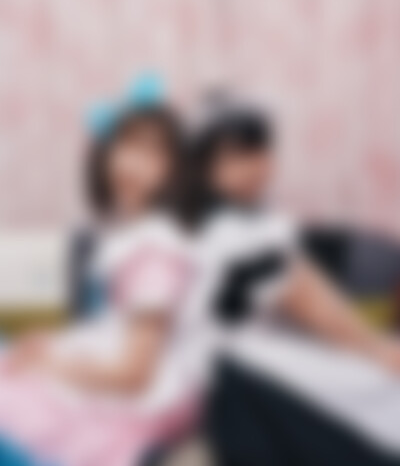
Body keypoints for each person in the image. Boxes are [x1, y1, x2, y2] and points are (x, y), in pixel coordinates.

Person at [176, 93, 400, 465]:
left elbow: (304, 294)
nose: (253, 165)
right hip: (232, 375)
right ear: (202, 168)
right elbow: (305, 295)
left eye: (259, 151)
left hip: (238, 365)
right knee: (369, 383)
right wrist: (377, 349)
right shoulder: (227, 231)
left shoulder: (248, 223)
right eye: (233, 156)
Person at [0, 75, 196, 466]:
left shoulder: (155, 251)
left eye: (152, 153)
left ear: (176, 172)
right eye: (125, 145)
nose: (131, 162)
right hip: (122, 369)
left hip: (141, 402)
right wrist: (51, 346)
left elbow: (135, 373)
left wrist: (52, 363)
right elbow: (115, 327)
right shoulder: (130, 239)